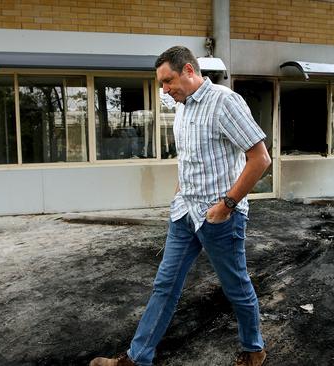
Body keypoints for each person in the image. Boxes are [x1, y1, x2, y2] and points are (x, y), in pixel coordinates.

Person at [90, 46, 271, 366]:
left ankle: (254, 350)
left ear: (189, 70)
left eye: (167, 81)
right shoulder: (183, 107)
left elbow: (260, 159)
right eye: (161, 84)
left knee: (236, 287)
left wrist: (226, 206)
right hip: (184, 213)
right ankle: (137, 358)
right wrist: (178, 195)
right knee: (165, 285)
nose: (164, 90)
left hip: (219, 217)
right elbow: (187, 159)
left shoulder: (224, 102)